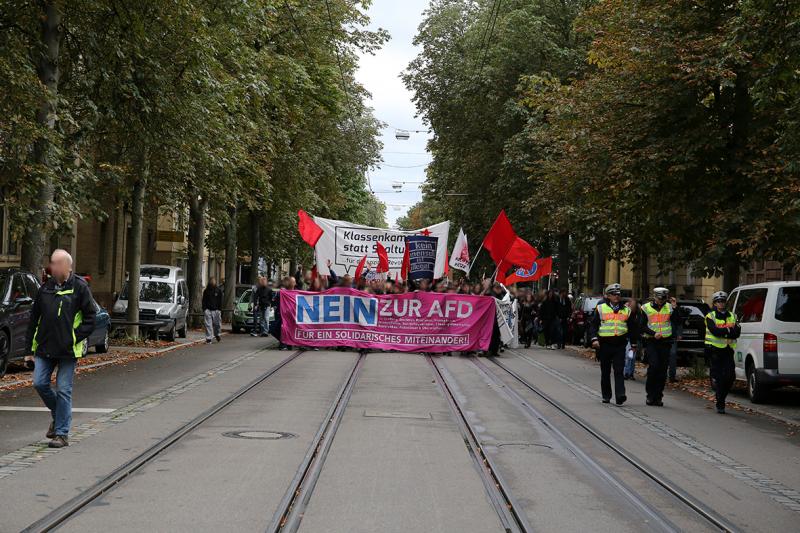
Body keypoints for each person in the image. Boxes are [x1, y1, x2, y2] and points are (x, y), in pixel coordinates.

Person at [25, 249, 96, 448]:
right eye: (51, 263)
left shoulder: (80, 288)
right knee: (39, 383)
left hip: (68, 350)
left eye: (55, 263)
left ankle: (62, 433)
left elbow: (91, 319)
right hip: (45, 347)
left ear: (66, 266)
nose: (51, 267)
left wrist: (73, 336)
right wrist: (28, 350)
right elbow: (34, 319)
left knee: (64, 389)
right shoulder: (45, 288)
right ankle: (59, 415)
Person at [588, 283, 636, 405]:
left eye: (618, 294)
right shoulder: (601, 308)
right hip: (604, 345)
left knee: (619, 370)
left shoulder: (626, 310)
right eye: (614, 294)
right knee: (605, 371)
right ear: (608, 296)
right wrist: (594, 339)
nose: (616, 296)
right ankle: (606, 395)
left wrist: (633, 344)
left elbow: (632, 328)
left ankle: (620, 395)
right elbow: (593, 325)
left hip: (620, 344)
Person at [639, 288, 682, 406]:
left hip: (665, 342)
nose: (661, 301)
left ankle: (658, 397)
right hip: (652, 341)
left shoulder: (669, 307)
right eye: (659, 299)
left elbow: (678, 321)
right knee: (654, 367)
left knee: (662, 371)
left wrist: (675, 308)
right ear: (654, 297)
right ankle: (650, 395)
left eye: (663, 299)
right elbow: (642, 326)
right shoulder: (645, 308)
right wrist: (653, 333)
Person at [705, 291, 741, 414]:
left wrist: (724, 331)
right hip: (715, 350)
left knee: (730, 377)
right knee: (719, 378)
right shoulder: (711, 316)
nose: (721, 303)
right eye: (718, 301)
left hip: (728, 350)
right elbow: (715, 331)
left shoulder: (733, 316)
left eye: (723, 301)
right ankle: (720, 403)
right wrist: (728, 330)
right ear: (715, 303)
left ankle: (721, 398)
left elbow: (737, 333)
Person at [623, 298, 641, 380]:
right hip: (627, 337)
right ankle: (626, 373)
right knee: (628, 356)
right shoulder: (627, 313)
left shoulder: (638, 314)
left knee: (632, 357)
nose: (632, 306)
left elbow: (638, 327)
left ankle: (630, 373)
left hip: (635, 338)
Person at [202, 277, 223, 343]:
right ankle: (209, 338)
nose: (212, 282)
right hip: (208, 310)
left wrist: (220, 309)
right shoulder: (206, 291)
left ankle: (217, 334)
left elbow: (220, 300)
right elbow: (204, 300)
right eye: (211, 281)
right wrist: (204, 309)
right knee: (208, 325)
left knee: (217, 324)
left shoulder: (218, 290)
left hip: (216, 310)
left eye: (213, 281)